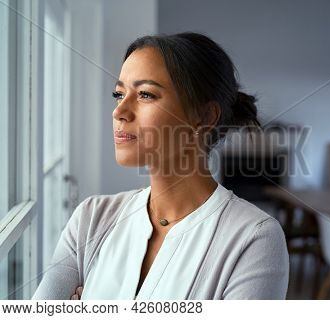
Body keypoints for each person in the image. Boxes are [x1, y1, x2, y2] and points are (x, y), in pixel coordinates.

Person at [32, 32, 289, 300]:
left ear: (203, 116)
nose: (119, 111)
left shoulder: (254, 240)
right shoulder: (90, 219)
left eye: (145, 94)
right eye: (119, 94)